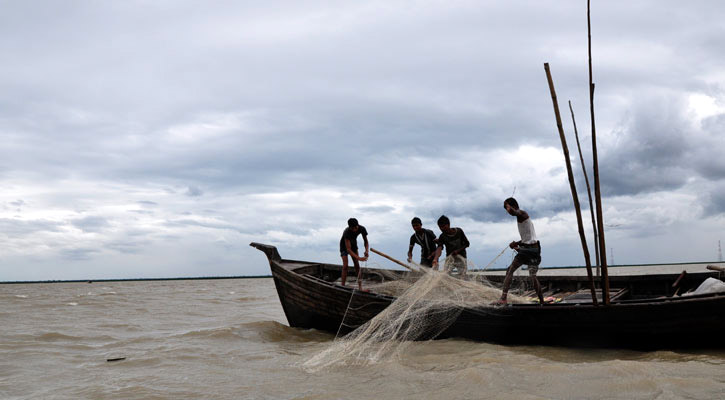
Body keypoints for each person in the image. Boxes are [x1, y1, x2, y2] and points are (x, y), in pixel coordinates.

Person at [496, 197, 544, 304]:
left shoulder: (522, 213)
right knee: (533, 277)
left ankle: (503, 298)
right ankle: (542, 301)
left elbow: (514, 212)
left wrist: (508, 206)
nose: (507, 211)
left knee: (510, 270)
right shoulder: (524, 218)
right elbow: (527, 239)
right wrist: (516, 244)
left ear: (513, 206)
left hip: (528, 251)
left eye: (507, 208)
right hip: (534, 250)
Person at [339, 218, 369, 291]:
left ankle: (360, 287)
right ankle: (342, 286)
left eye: (356, 228)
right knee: (345, 265)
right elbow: (348, 249)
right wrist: (359, 258)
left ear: (357, 225)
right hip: (344, 246)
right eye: (353, 228)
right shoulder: (346, 232)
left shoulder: (362, 228)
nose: (355, 230)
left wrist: (366, 250)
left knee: (357, 265)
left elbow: (366, 241)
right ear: (350, 227)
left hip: (353, 245)